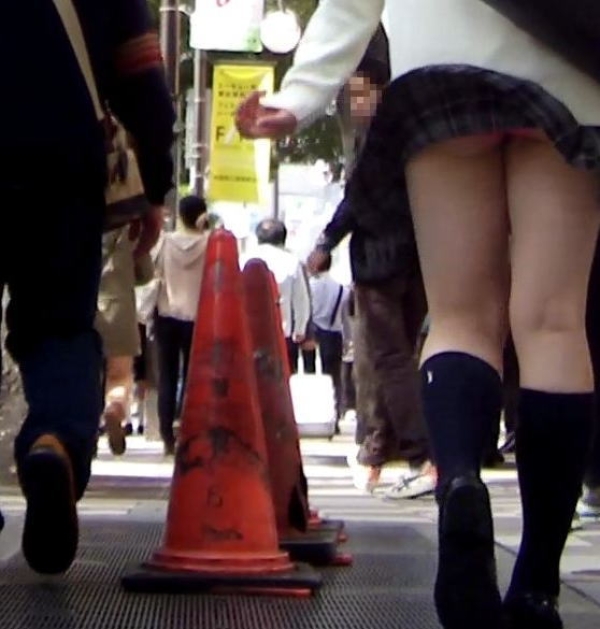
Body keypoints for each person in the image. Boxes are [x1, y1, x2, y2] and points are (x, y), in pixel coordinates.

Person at [236, 3, 600, 628]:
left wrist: (299, 96)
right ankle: (537, 583)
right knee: (553, 323)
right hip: (570, 67)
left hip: (442, 60)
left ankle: (458, 482)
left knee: (459, 318)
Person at [0, 0, 174, 575]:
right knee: (59, 326)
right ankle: (54, 440)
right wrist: (153, 184)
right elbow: (141, 74)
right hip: (61, 164)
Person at [154, 195, 210, 456]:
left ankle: (166, 435)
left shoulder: (165, 241)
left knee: (167, 374)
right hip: (198, 316)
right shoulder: (209, 244)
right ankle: (187, 428)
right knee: (191, 375)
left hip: (167, 313)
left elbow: (152, 273)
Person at [243, 219, 311, 374]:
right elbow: (301, 299)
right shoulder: (292, 261)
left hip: (248, 330)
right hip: (281, 331)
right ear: (283, 238)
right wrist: (300, 328)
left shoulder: (243, 259)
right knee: (281, 376)